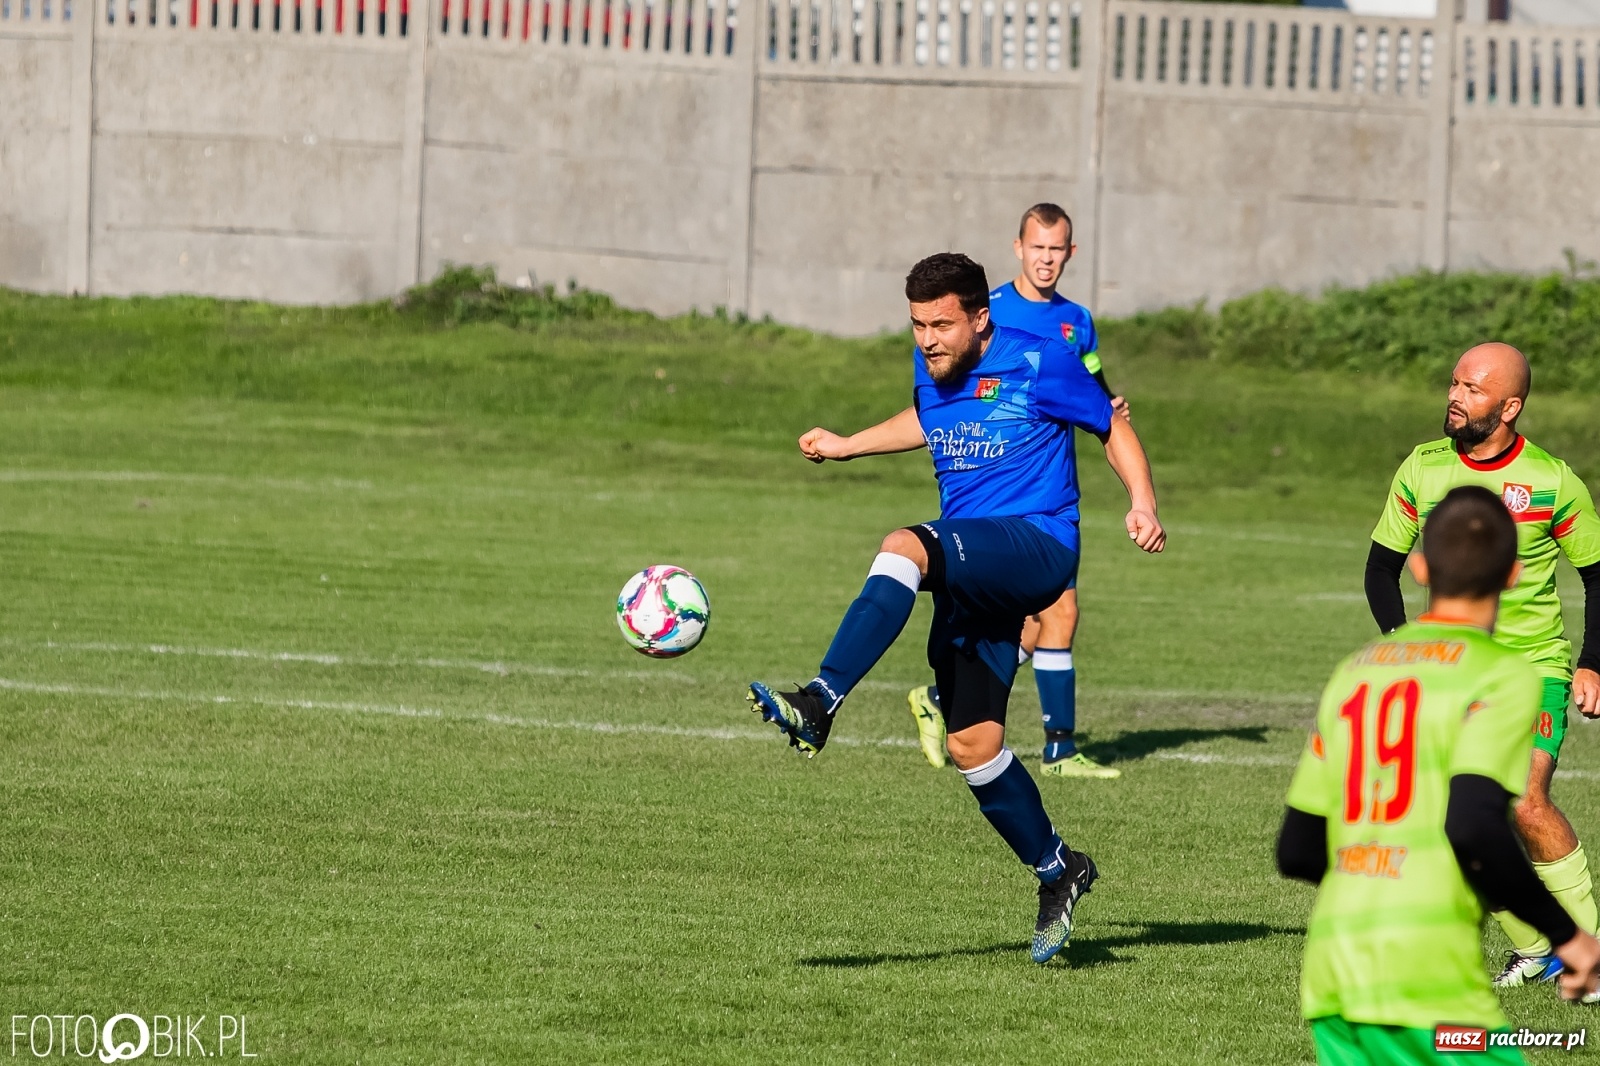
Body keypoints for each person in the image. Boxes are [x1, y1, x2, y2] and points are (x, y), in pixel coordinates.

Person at [746, 252, 1164, 963]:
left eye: (941, 325)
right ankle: (1059, 869)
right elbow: (927, 416)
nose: (928, 339)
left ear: (980, 317)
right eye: (917, 325)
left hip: (1035, 543)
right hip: (975, 567)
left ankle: (819, 700)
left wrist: (1142, 502)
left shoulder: (1039, 360)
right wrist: (848, 447)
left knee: (904, 546)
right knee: (974, 746)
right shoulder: (932, 368)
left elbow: (1110, 426)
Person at [1280, 486, 1600, 1064]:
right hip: (1428, 977)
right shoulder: (1501, 674)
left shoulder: (1355, 672)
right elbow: (1475, 826)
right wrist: (1568, 936)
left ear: (1421, 568)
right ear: (1511, 576)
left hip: (1333, 978)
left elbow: (1297, 851)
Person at [1365, 342, 1600, 990]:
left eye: (1472, 389)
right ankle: (1535, 948)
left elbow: (1599, 575)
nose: (1455, 396)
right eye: (1454, 383)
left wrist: (1592, 663)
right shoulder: (1423, 468)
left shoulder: (1552, 480)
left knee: (1525, 801)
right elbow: (1381, 568)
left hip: (1534, 667)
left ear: (1510, 407)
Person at [907, 203, 1128, 779]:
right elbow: (946, 398)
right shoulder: (990, 313)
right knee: (1054, 612)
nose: (1046, 259)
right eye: (1037, 247)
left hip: (1050, 481)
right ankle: (1056, 747)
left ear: (1071, 253)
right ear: (1018, 248)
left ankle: (954, 702)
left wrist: (1109, 404)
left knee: (1046, 618)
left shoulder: (1076, 320)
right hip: (1000, 496)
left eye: (1056, 249)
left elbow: (1091, 378)